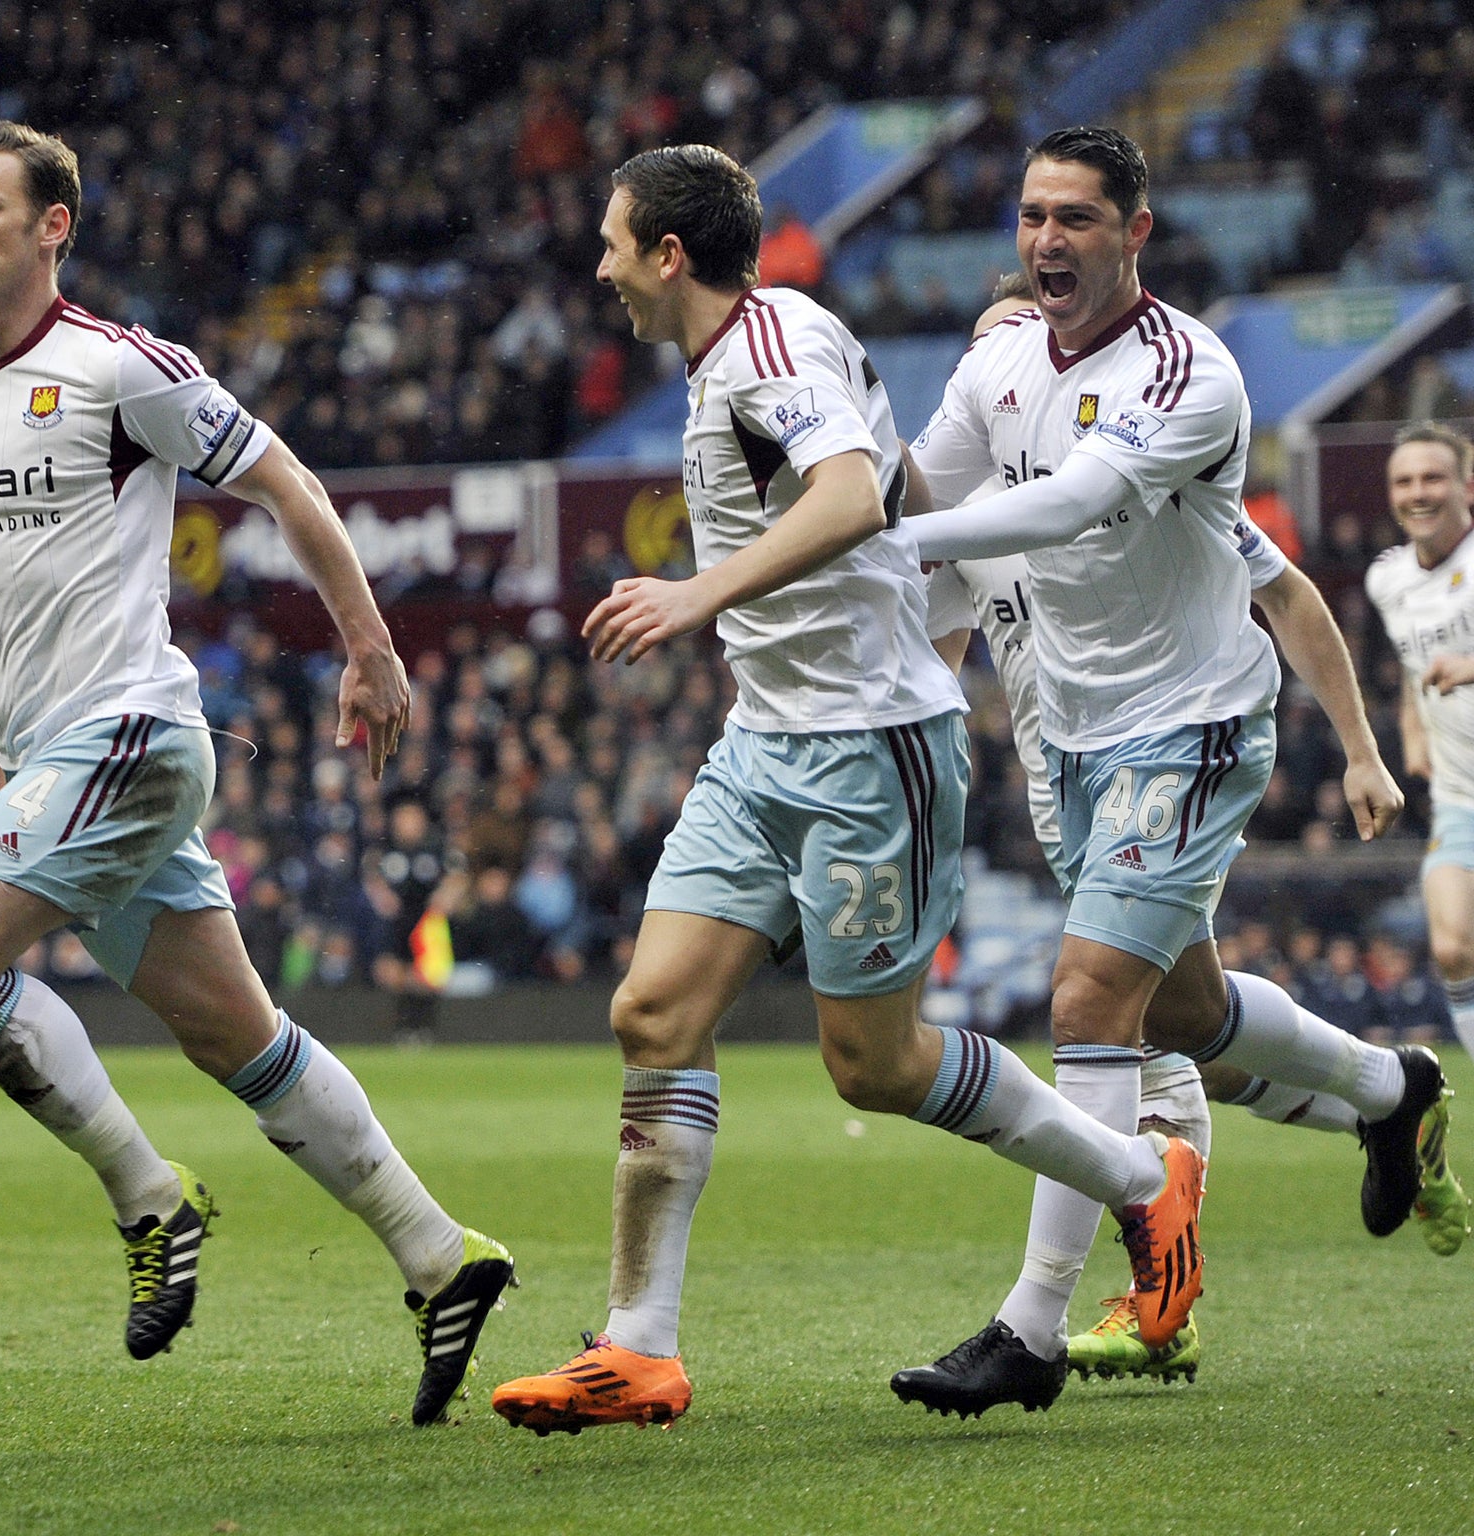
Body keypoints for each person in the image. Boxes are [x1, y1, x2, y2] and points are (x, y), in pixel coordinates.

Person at [489, 143, 1206, 1439]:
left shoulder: (765, 361)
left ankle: (1134, 1181)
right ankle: (640, 1347)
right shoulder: (775, 339)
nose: (599, 269)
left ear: (668, 255)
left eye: (612, 244)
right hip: (767, 740)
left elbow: (849, 495)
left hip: (874, 750)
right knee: (653, 1011)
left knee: (871, 1068)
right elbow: (907, 486)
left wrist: (697, 594)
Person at [0, 120, 512, 1427]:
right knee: (235, 1036)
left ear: (53, 227)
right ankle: (444, 1255)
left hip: (130, 736)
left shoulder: (121, 370)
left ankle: (149, 1198)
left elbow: (289, 486)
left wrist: (369, 652)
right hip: (52, 759)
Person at [897, 125, 1447, 1417]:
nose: (1047, 241)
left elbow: (1063, 506)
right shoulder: (998, 365)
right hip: (1074, 744)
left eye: (1077, 218)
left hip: (1194, 727)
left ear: (1135, 232)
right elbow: (929, 510)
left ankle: (1028, 1326)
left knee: (1088, 1005)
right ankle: (1391, 1085)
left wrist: (1364, 750)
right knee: (1184, 1015)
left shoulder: (1188, 373)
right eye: (1032, 215)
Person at [1370, 422, 1474, 1068]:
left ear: (1466, 485)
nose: (1419, 493)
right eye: (1404, 481)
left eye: (1433, 477)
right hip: (1461, 794)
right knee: (1453, 947)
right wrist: (1412, 729)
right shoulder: (1388, 579)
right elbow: (1415, 668)